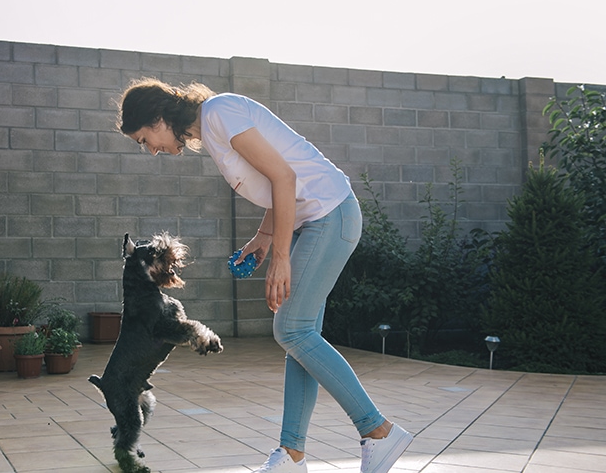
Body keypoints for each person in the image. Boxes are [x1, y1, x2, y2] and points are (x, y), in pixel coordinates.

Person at [117, 77, 413, 473]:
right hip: (319, 219)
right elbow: (277, 183)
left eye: (143, 139)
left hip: (330, 213)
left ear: (157, 116)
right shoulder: (212, 130)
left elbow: (285, 177)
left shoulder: (219, 112)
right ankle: (291, 456)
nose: (150, 150)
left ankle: (378, 430)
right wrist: (265, 236)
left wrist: (282, 256)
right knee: (300, 337)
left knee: (291, 330)